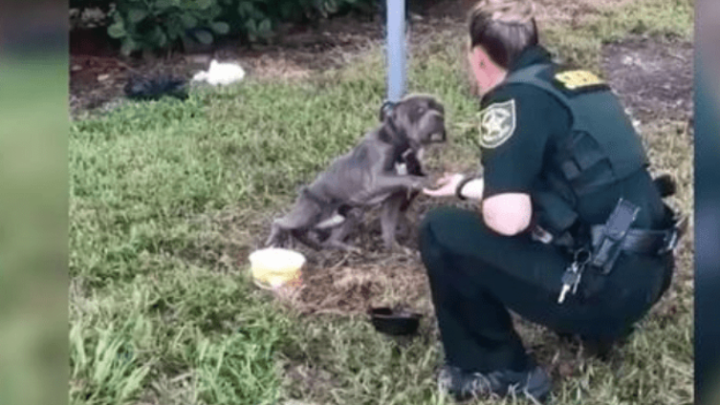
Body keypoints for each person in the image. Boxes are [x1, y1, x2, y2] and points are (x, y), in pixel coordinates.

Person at [419, 0, 686, 402]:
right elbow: (571, 185)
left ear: (479, 57)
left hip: (602, 292)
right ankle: (601, 326)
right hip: (649, 277)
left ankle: (495, 368)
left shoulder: (509, 101)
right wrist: (465, 186)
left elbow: (507, 219)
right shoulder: (579, 82)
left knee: (440, 231)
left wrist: (486, 197)